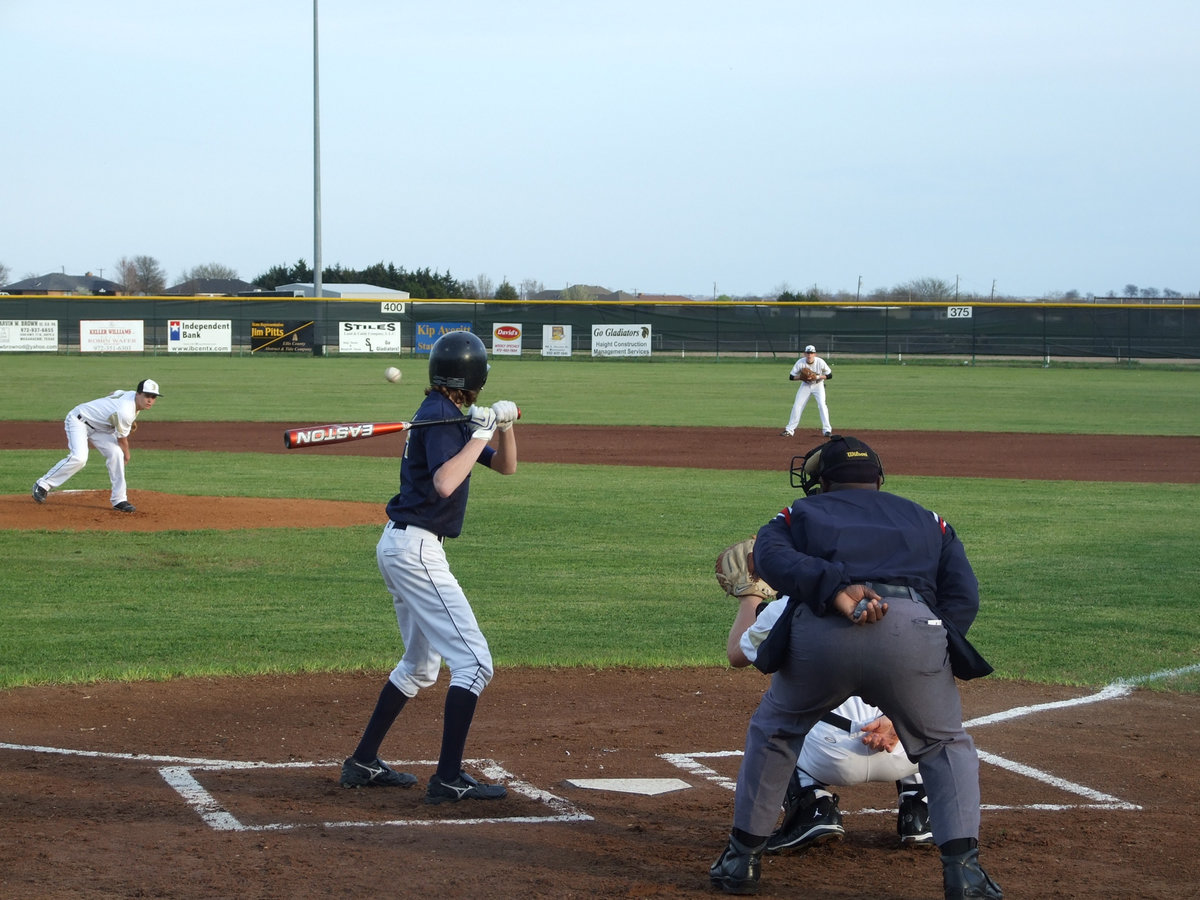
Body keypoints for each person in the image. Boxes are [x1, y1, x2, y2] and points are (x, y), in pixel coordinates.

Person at [709, 435, 1001, 899]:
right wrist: (932, 640)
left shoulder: (799, 514)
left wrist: (833, 589)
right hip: (914, 628)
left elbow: (768, 554)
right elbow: (963, 594)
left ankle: (740, 862)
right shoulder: (930, 519)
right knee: (945, 745)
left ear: (822, 483)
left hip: (822, 630)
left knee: (777, 732)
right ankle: (963, 873)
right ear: (880, 480)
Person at [339, 330, 521, 805]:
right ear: (476, 375)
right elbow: (444, 483)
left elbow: (507, 467)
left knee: (421, 665)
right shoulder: (442, 417)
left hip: (403, 546)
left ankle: (362, 762)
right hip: (417, 550)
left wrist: (501, 425)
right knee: (475, 663)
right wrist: (479, 428)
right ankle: (448, 777)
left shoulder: (445, 416)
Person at [723, 585, 933, 854]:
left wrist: (750, 598)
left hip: (827, 754)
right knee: (937, 706)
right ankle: (919, 808)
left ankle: (812, 804)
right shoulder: (906, 602)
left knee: (775, 722)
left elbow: (737, 654)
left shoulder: (788, 604)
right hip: (904, 749)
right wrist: (897, 723)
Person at [32, 379, 163, 513]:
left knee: (116, 454)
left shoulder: (129, 395)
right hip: (79, 420)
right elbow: (122, 439)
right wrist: (127, 456)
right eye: (147, 395)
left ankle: (119, 500)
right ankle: (42, 485)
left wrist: (107, 410)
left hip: (100, 428)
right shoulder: (126, 411)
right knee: (79, 458)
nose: (150, 400)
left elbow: (114, 393)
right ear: (138, 394)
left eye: (153, 397)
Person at [781, 344, 832, 438]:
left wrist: (817, 376)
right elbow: (791, 377)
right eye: (808, 353)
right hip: (806, 385)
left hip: (818, 385)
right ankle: (789, 430)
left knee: (822, 405)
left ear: (815, 354)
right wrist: (802, 377)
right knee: (797, 406)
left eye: (811, 353)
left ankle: (827, 430)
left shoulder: (820, 362)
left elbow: (829, 375)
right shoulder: (800, 362)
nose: (809, 355)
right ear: (805, 354)